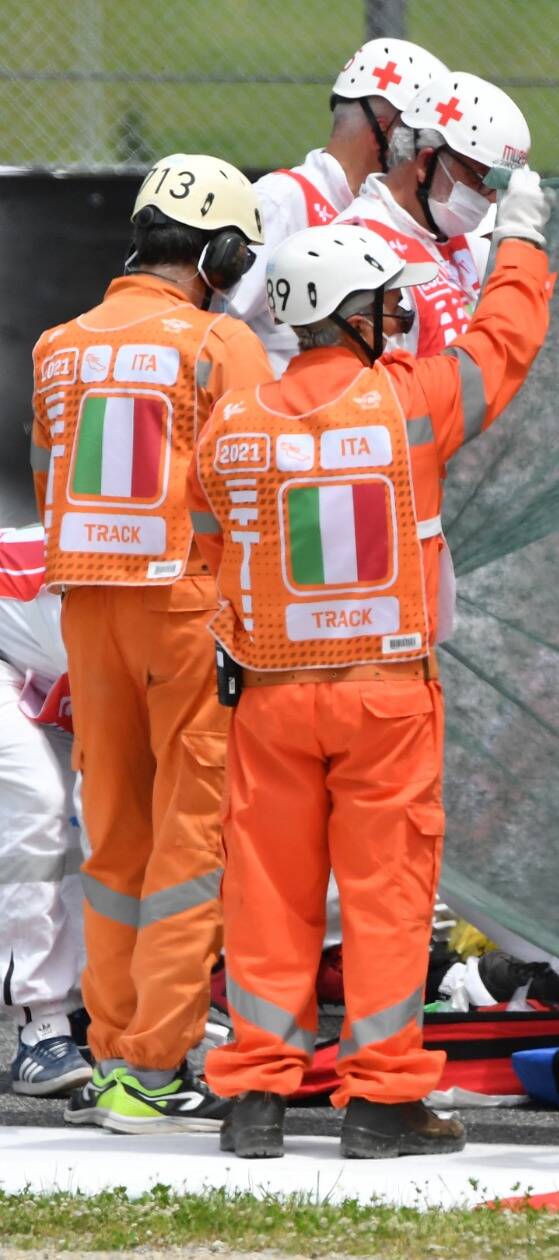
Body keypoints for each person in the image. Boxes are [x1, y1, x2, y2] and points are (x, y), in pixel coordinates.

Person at [194, 168, 552, 1159]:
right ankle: (382, 1104)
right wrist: (520, 241)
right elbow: (502, 347)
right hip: (385, 696)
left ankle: (256, 1098)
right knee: (389, 897)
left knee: (266, 896)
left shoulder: (236, 423)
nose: (398, 314)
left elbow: (205, 521)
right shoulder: (412, 405)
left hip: (268, 697)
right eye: (385, 303)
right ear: (351, 316)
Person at [29, 154, 272, 1132]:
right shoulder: (222, 348)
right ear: (217, 249)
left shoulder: (57, 346)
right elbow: (252, 492)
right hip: (186, 607)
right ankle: (153, 1064)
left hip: (86, 608)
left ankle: (114, 1049)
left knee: (114, 832)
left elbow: (51, 477)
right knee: (192, 839)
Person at [230, 38, 447, 372]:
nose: (426, 159)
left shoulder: (394, 216)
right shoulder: (283, 201)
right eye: (424, 140)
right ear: (389, 131)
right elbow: (212, 328)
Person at [335, 71, 531, 358]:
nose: (489, 201)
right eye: (482, 182)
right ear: (426, 162)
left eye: (497, 189)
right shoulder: (355, 248)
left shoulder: (452, 238)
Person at [0, 524, 86, 1096]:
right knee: (39, 803)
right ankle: (39, 1023)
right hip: (15, 650)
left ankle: (82, 1006)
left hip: (53, 667)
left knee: (95, 826)